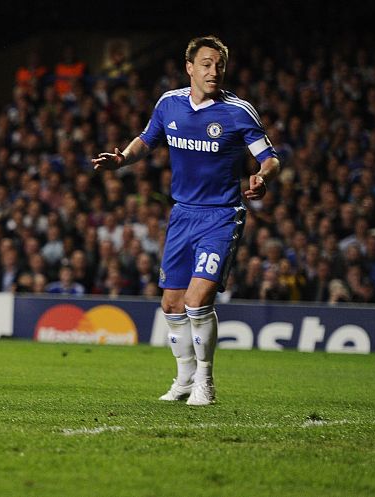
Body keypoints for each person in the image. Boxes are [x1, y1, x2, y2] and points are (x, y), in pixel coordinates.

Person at [92, 35, 280, 406]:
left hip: (221, 216)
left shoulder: (238, 111)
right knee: (171, 305)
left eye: (220, 65)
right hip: (182, 215)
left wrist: (262, 177)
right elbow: (146, 140)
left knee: (196, 300)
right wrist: (123, 159)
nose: (214, 71)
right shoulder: (169, 104)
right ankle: (183, 379)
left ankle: (205, 382)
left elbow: (270, 158)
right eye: (206, 64)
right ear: (189, 67)